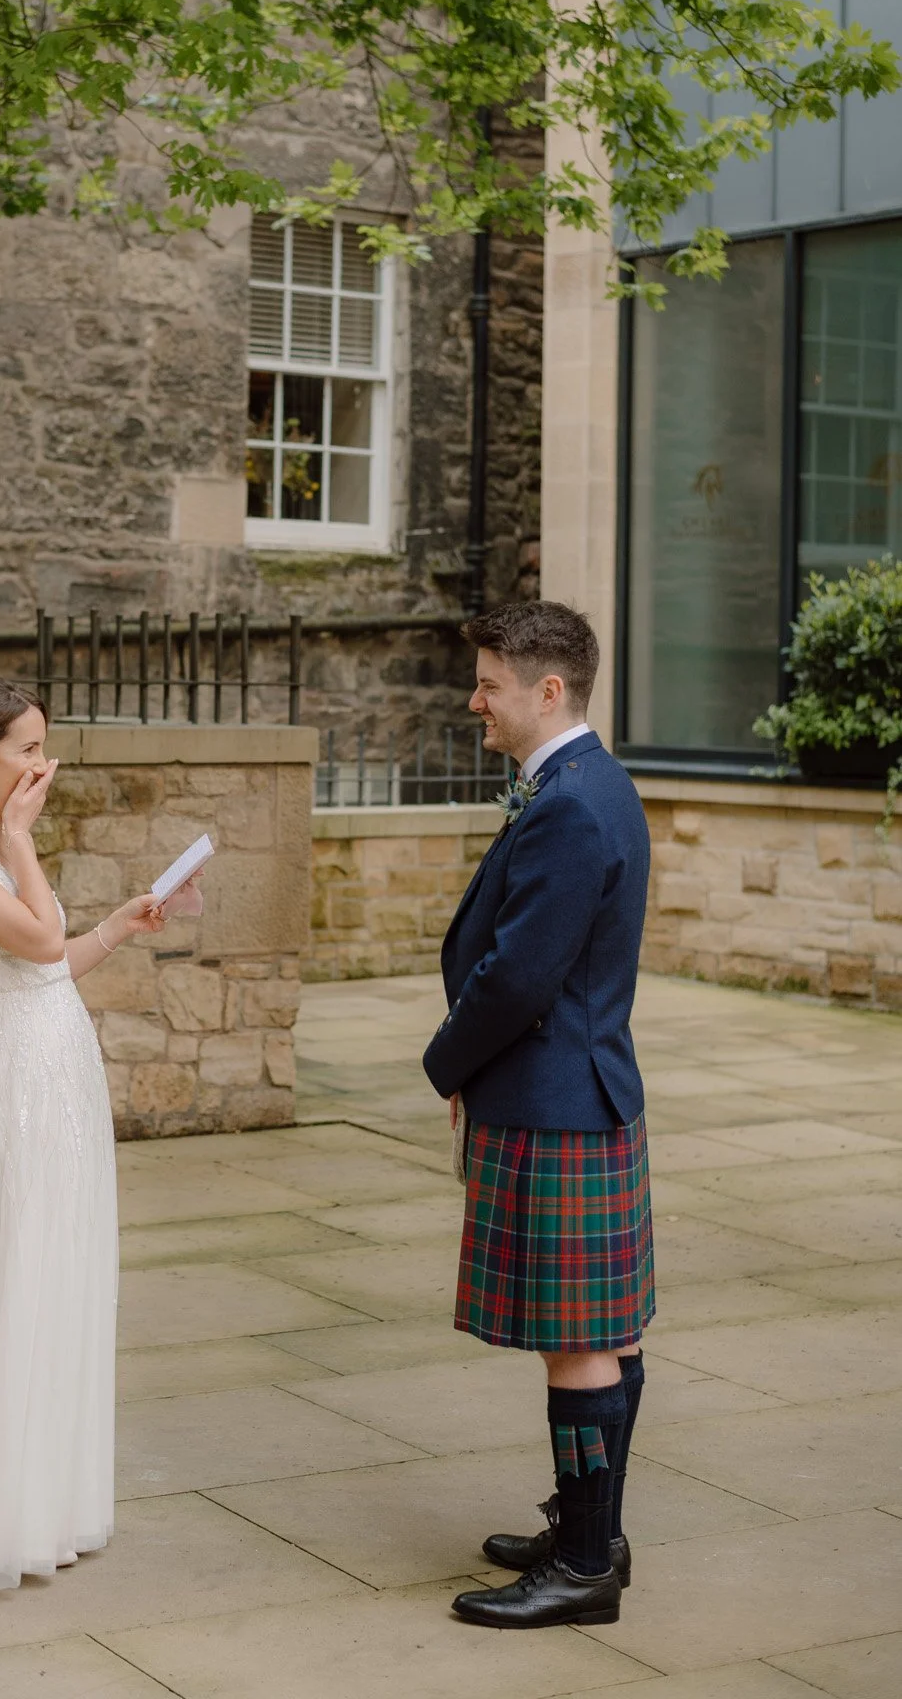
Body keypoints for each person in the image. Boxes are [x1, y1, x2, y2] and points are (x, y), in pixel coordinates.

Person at [424, 601, 654, 1630]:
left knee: (580, 1341)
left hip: (555, 1100)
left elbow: (520, 977)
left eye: (490, 685)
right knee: (604, 1334)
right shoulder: (586, 782)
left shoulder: (569, 802)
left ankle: (585, 1567)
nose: (475, 701)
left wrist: (446, 1066)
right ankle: (586, 1529)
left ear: (546, 690)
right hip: (578, 1092)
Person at [0, 675, 167, 1589]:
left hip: (57, 1058)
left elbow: (56, 958)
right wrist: (21, 839)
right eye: (26, 747)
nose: (42, 763)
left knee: (61, 1264)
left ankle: (53, 1497)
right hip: (11, 1073)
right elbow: (35, 944)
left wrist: (121, 926)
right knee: (17, 1265)